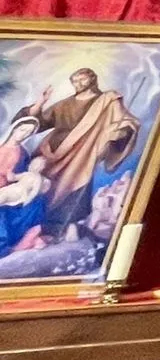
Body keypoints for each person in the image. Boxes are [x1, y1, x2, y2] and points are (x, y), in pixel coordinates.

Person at [10, 67, 139, 237]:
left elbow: (127, 123)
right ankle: (25, 226)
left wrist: (119, 131)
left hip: (81, 155)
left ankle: (58, 229)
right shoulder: (64, 104)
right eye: (75, 81)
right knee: (37, 188)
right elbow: (37, 123)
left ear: (93, 79)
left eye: (82, 80)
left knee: (74, 187)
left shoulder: (108, 100)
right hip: (50, 152)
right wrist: (40, 103)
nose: (78, 84)